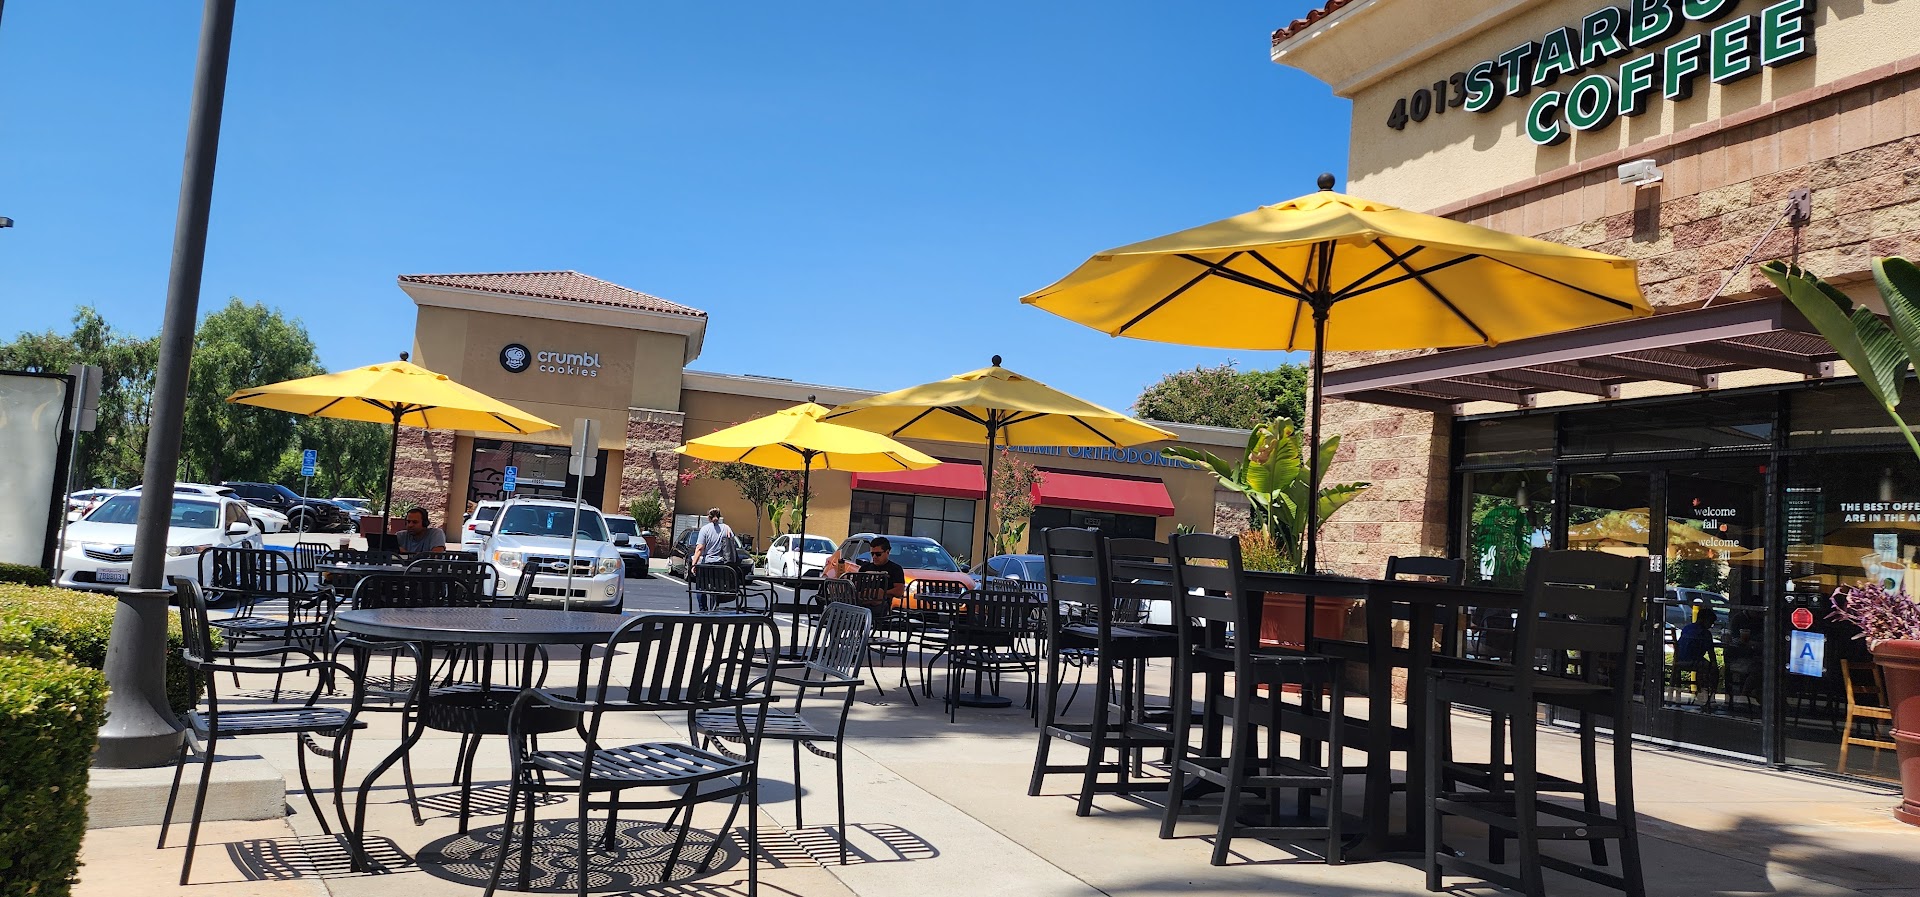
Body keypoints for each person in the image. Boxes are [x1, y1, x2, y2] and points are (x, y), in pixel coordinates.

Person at [691, 509, 738, 611]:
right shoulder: (726, 528)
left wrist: (694, 564)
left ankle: (703, 609)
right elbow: (732, 543)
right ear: (719, 516)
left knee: (701, 586)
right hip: (722, 565)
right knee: (716, 586)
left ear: (708, 517)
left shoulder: (705, 529)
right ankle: (714, 607)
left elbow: (699, 548)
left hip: (707, 564)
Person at [1673, 605, 1719, 708]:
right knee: (1712, 669)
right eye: (1711, 622)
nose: (1711, 625)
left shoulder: (1687, 628)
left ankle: (1700, 693)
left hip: (1680, 659)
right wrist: (1714, 664)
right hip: (1693, 660)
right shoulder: (1705, 633)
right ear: (1704, 620)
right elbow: (1711, 653)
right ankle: (1710, 696)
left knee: (1702, 666)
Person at [854, 536, 907, 602]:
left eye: (878, 554)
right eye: (872, 554)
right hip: (860, 601)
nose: (874, 557)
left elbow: (899, 591)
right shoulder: (864, 568)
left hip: (882, 603)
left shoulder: (895, 569)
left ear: (887, 552)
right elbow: (855, 586)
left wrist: (882, 593)